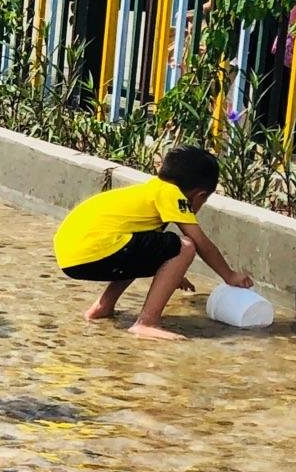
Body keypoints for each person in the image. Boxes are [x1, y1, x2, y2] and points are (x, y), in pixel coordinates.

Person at [54, 145, 253, 340]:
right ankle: (147, 322)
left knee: (140, 243)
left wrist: (173, 273)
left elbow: (144, 249)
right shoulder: (172, 194)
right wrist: (230, 275)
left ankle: (102, 307)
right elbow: (199, 241)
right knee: (186, 246)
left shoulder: (151, 190)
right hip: (95, 250)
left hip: (71, 256)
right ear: (199, 195)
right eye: (204, 200)